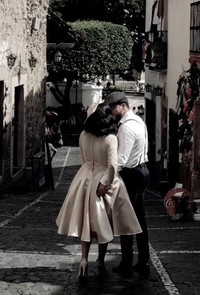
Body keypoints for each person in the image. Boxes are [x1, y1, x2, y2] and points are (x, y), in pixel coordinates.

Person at [56, 103, 142, 280]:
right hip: (102, 180)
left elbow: (82, 159)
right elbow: (112, 165)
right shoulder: (110, 138)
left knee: (86, 222)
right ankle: (100, 261)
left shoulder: (82, 135)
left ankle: (84, 260)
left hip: (84, 178)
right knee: (103, 222)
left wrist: (86, 175)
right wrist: (107, 184)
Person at [105, 91, 151, 276]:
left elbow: (121, 159)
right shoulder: (138, 121)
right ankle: (143, 261)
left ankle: (127, 263)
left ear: (122, 105)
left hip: (132, 175)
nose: (111, 111)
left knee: (125, 219)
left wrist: (105, 182)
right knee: (139, 219)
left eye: (113, 107)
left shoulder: (126, 127)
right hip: (142, 170)